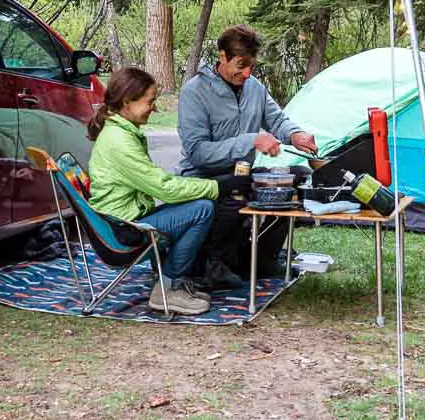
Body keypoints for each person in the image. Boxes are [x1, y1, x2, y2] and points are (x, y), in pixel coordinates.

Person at [88, 66, 251, 315]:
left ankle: (172, 278)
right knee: (202, 209)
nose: (155, 108)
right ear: (127, 102)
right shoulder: (118, 142)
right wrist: (218, 186)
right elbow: (163, 188)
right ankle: (168, 285)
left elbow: (157, 182)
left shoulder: (120, 132)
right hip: (121, 230)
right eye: (150, 101)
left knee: (194, 206)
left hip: (121, 220)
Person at [176, 25, 317, 287]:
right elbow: (197, 153)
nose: (248, 73)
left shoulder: (255, 88)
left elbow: (276, 120)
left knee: (298, 178)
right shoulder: (194, 92)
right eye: (241, 65)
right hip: (202, 177)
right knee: (235, 191)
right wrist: (251, 141)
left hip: (240, 173)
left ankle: (262, 256)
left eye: (251, 65)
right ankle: (214, 266)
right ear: (222, 56)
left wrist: (296, 135)